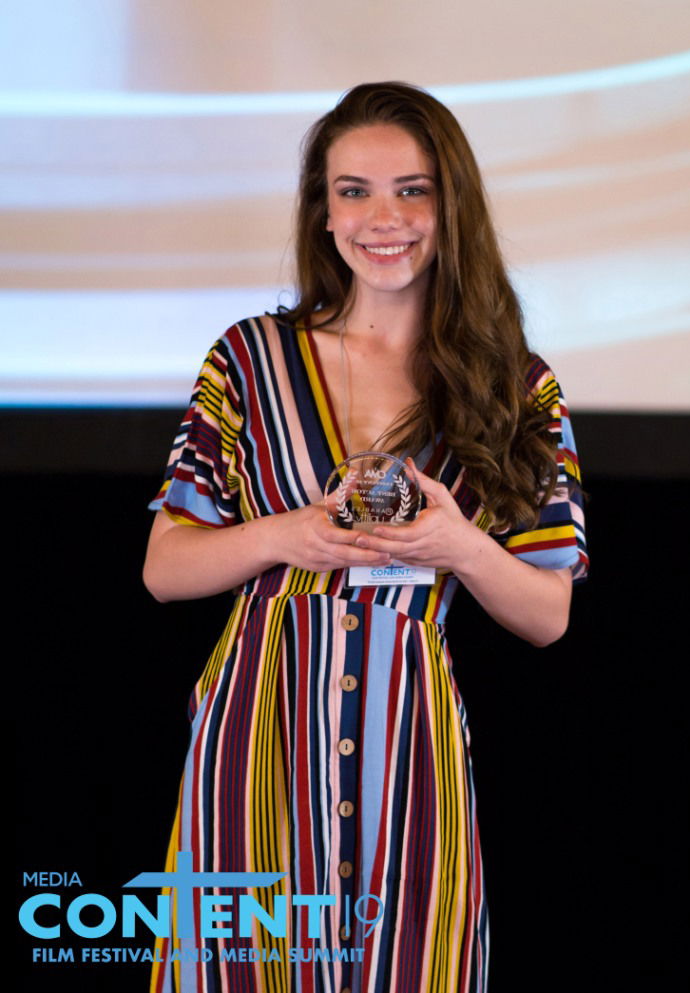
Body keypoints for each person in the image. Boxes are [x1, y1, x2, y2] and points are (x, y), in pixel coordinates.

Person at [143, 80, 587, 993]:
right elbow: (165, 567)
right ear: (324, 209)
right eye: (355, 191)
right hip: (257, 730)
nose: (384, 219)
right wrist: (289, 536)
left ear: (451, 205)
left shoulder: (515, 384)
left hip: (409, 743)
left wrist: (460, 546)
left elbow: (549, 614)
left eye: (412, 190)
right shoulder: (250, 358)